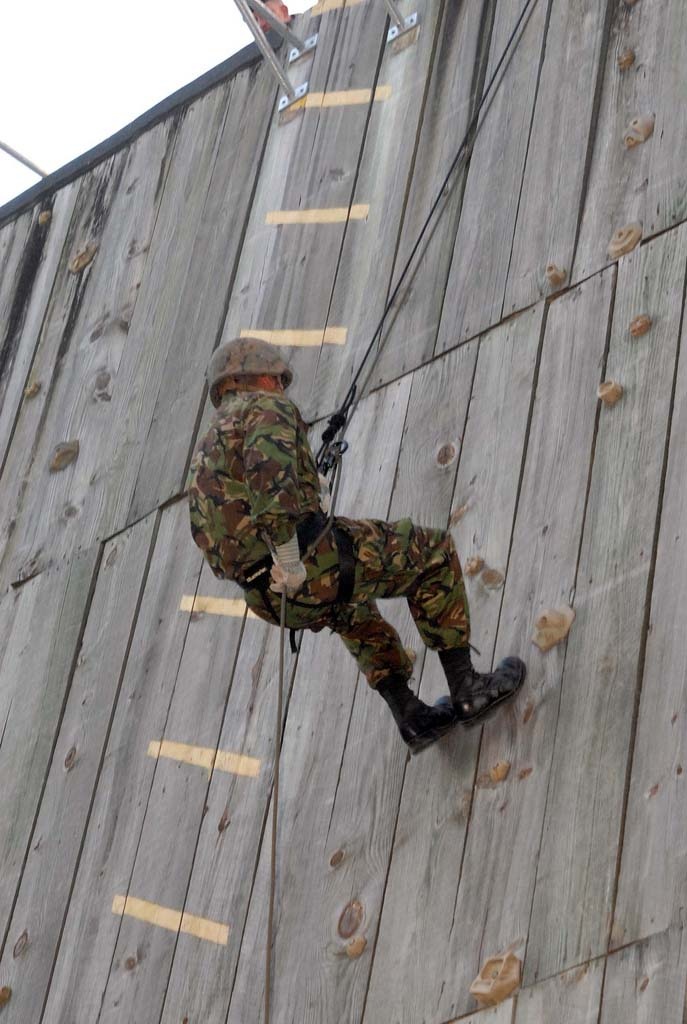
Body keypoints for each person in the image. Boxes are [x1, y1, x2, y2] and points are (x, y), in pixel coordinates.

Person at [187, 338, 526, 754]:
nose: (281, 388)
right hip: (305, 564)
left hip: (266, 596)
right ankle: (467, 686)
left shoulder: (207, 451)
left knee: (349, 611)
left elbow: (219, 535)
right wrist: (291, 558)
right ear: (257, 374)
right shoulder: (264, 407)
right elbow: (272, 488)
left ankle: (411, 716)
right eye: (278, 380)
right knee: (430, 554)